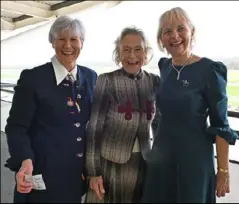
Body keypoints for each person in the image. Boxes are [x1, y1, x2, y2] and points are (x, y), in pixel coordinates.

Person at [141, 7, 239, 203]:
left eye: (180, 29)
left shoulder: (210, 70)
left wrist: (223, 170)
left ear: (191, 32)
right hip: (161, 157)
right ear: (161, 39)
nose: (174, 36)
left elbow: (221, 125)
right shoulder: (165, 67)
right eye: (167, 31)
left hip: (194, 159)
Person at [4, 15, 97, 203]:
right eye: (61, 39)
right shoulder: (33, 78)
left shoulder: (90, 77)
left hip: (75, 176)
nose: (68, 45)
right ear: (52, 42)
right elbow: (16, 127)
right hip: (41, 175)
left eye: (73, 39)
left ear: (82, 43)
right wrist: (24, 159)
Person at [85, 26, 160, 203]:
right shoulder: (106, 81)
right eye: (126, 50)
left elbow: (158, 124)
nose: (132, 56)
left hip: (143, 162)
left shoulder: (154, 81)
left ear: (146, 53)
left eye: (138, 49)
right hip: (110, 163)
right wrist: (93, 172)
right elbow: (94, 128)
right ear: (118, 54)